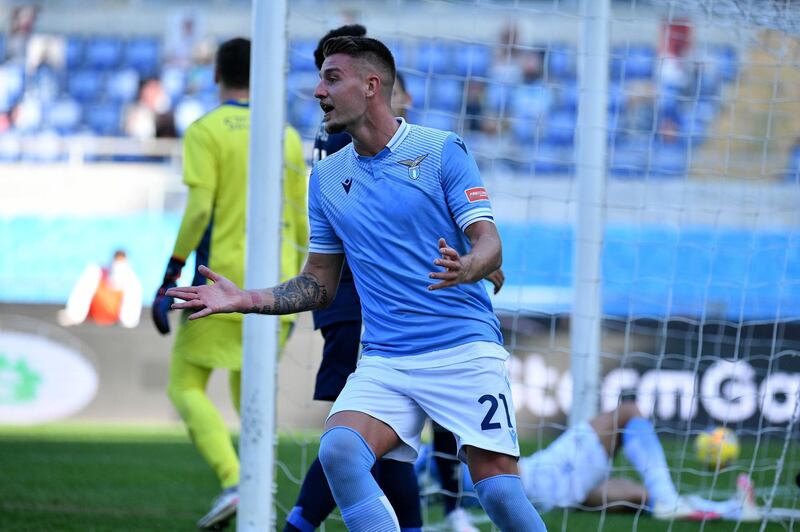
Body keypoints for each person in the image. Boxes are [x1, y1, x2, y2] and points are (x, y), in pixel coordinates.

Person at [168, 35, 547, 532]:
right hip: (386, 358)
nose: (317, 92)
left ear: (371, 86)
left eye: (331, 78)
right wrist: (247, 298)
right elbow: (318, 283)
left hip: (462, 350)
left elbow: (489, 241)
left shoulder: (442, 150)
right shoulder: (325, 180)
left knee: (496, 486)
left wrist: (471, 266)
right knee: (341, 451)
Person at [151, 37, 307, 530]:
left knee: (184, 385)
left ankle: (236, 479)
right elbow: (303, 219)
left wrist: (170, 274)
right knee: (251, 389)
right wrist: (304, 285)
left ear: (217, 74)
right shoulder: (285, 134)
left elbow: (200, 208)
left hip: (221, 283)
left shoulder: (206, 129)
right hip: (279, 284)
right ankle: (258, 487)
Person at [283, 24, 422, 532]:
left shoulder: (355, 136)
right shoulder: (348, 140)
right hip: (357, 302)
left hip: (362, 304)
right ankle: (300, 524)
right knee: (355, 433)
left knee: (380, 436)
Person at [419, 402, 761, 522]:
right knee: (627, 412)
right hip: (541, 479)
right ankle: (673, 502)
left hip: (547, 492)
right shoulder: (431, 464)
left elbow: (429, 460)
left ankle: (731, 508)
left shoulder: (430, 471)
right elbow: (432, 458)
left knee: (641, 497)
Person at [58, 249, 143, 329]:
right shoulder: (96, 272)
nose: (118, 268)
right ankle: (74, 315)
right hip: (92, 316)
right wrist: (74, 315)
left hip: (113, 320)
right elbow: (81, 293)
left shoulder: (132, 281)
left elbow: (130, 319)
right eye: (117, 263)